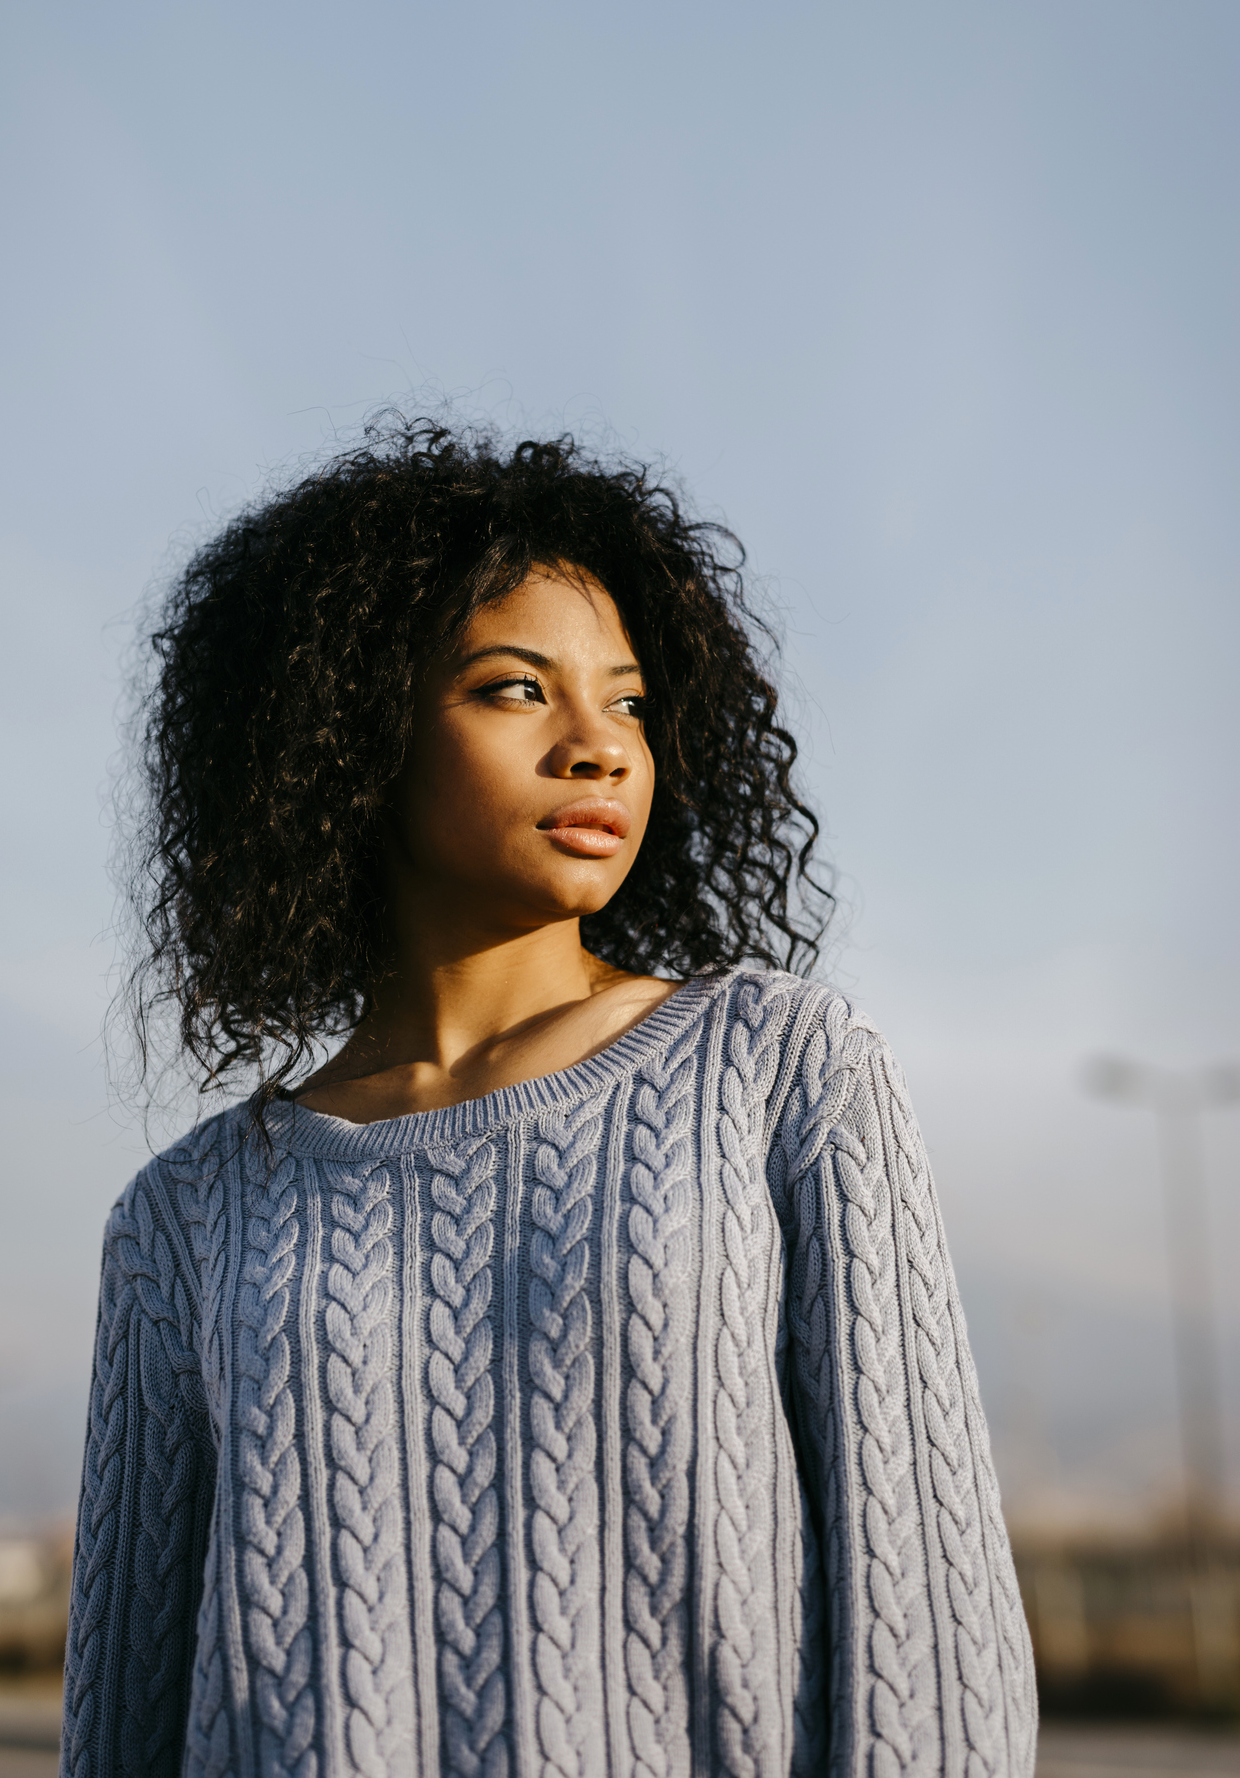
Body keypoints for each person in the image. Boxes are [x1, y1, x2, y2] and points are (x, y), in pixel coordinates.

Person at [62, 420, 1037, 1778]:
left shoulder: (777, 1072)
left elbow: (929, 1630)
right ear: (350, 731)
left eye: (628, 701)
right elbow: (121, 1719)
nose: (599, 747)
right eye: (516, 688)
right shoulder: (186, 1213)